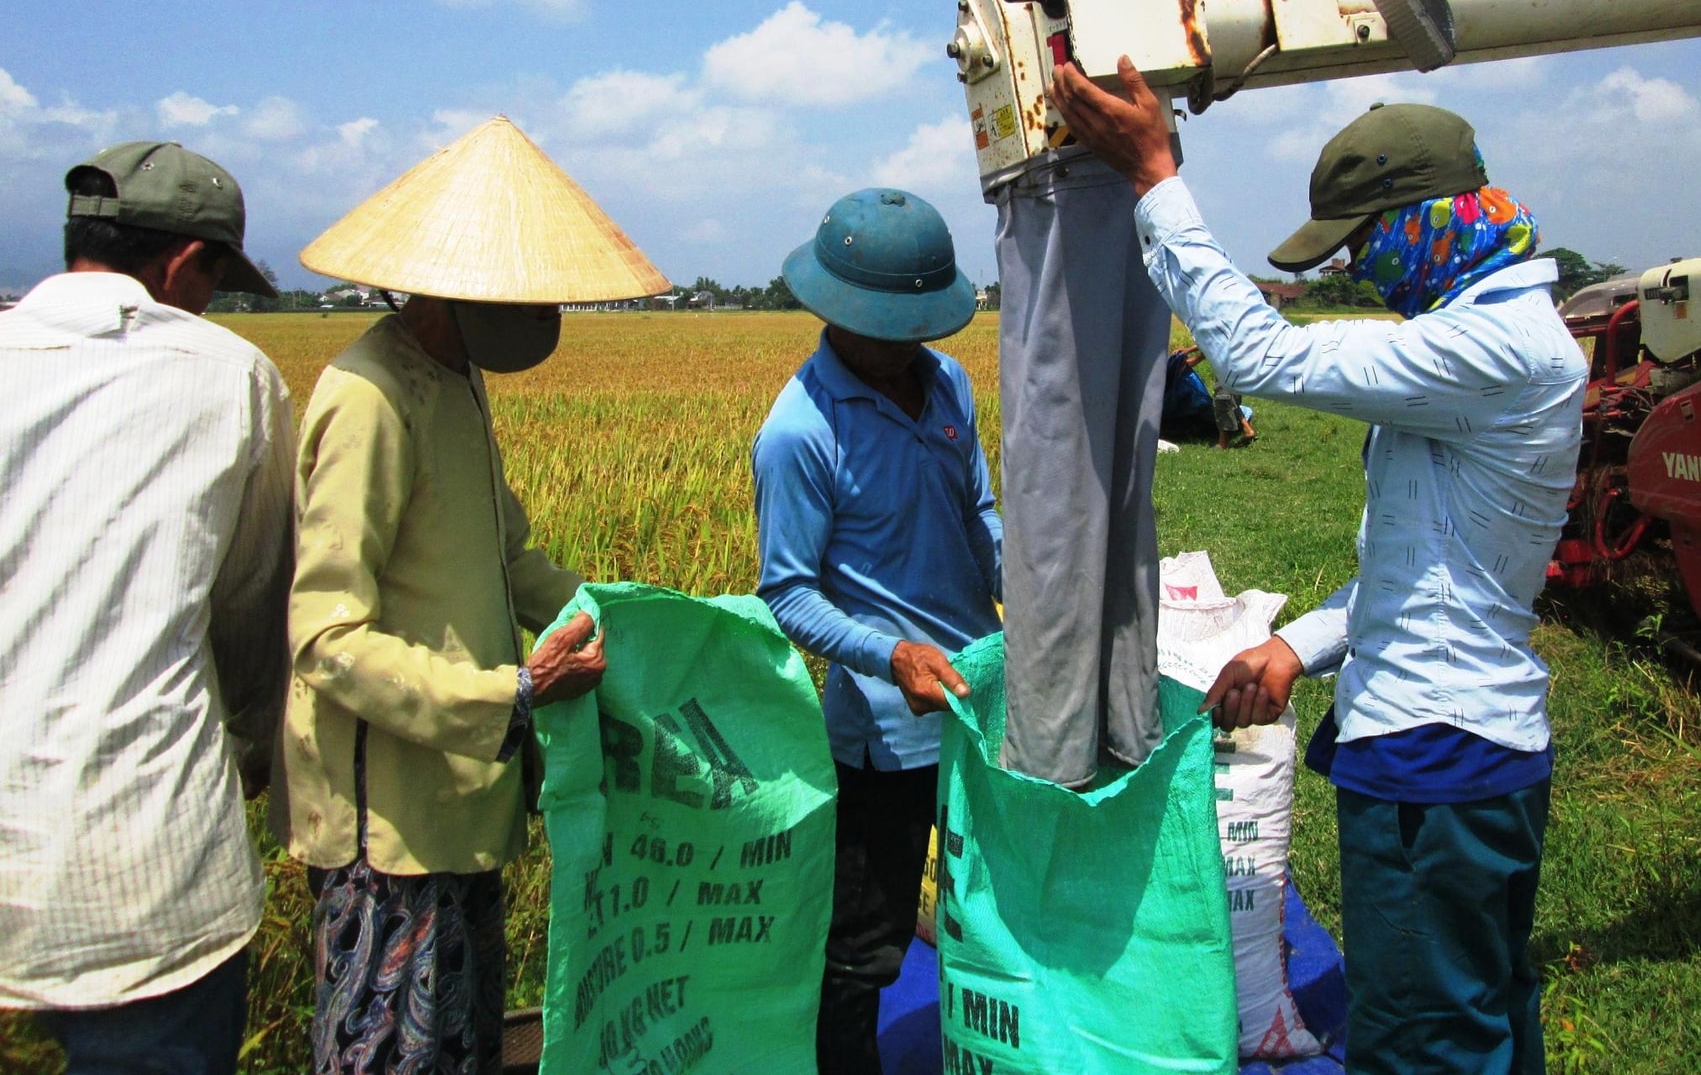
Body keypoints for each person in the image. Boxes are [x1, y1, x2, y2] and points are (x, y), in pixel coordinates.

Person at [1051, 59, 1585, 1075]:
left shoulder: (1494, 348)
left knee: (1420, 1038)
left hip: (1436, 758)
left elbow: (1262, 357)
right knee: (1480, 1015)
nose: (1367, 269)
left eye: (1366, 242)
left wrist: (1156, 173)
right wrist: (1293, 648)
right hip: (1471, 746)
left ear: (1423, 219)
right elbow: (1424, 579)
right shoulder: (1493, 337)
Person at [278, 115, 668, 1075]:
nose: (545, 318)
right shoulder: (371, 395)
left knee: (461, 1050)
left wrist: (644, 616)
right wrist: (514, 695)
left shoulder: (453, 377)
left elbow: (512, 559)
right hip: (392, 830)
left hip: (462, 806)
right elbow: (325, 635)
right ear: (462, 288)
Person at [0, 142, 292, 1074]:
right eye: (215, 277)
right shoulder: (232, 376)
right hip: (145, 870)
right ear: (181, 264)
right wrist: (250, 753)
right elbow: (253, 613)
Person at [752, 187, 1003, 1075]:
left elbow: (978, 515)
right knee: (865, 945)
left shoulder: (949, 386)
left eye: (919, 325)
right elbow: (786, 594)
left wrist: (1038, 588)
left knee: (992, 911)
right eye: (888, 325)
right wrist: (888, 654)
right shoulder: (800, 432)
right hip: (882, 737)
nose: (908, 344)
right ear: (836, 310)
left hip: (977, 708)